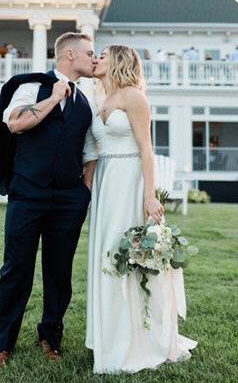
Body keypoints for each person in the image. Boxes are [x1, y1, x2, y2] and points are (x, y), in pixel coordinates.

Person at [0, 32, 98, 368]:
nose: (95, 59)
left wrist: (84, 190)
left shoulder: (84, 100)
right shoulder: (31, 86)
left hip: (69, 199)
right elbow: (15, 124)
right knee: (16, 269)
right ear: (70, 56)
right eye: (90, 53)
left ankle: (51, 337)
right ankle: (2, 343)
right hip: (28, 193)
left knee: (59, 273)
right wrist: (53, 99)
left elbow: (89, 149)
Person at [85, 44, 197, 374]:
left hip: (130, 180)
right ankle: (109, 338)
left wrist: (150, 196)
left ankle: (136, 342)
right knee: (106, 253)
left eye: (102, 56)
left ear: (118, 61)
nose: (96, 59)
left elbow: (147, 151)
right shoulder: (101, 99)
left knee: (125, 255)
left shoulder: (134, 97)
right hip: (107, 183)